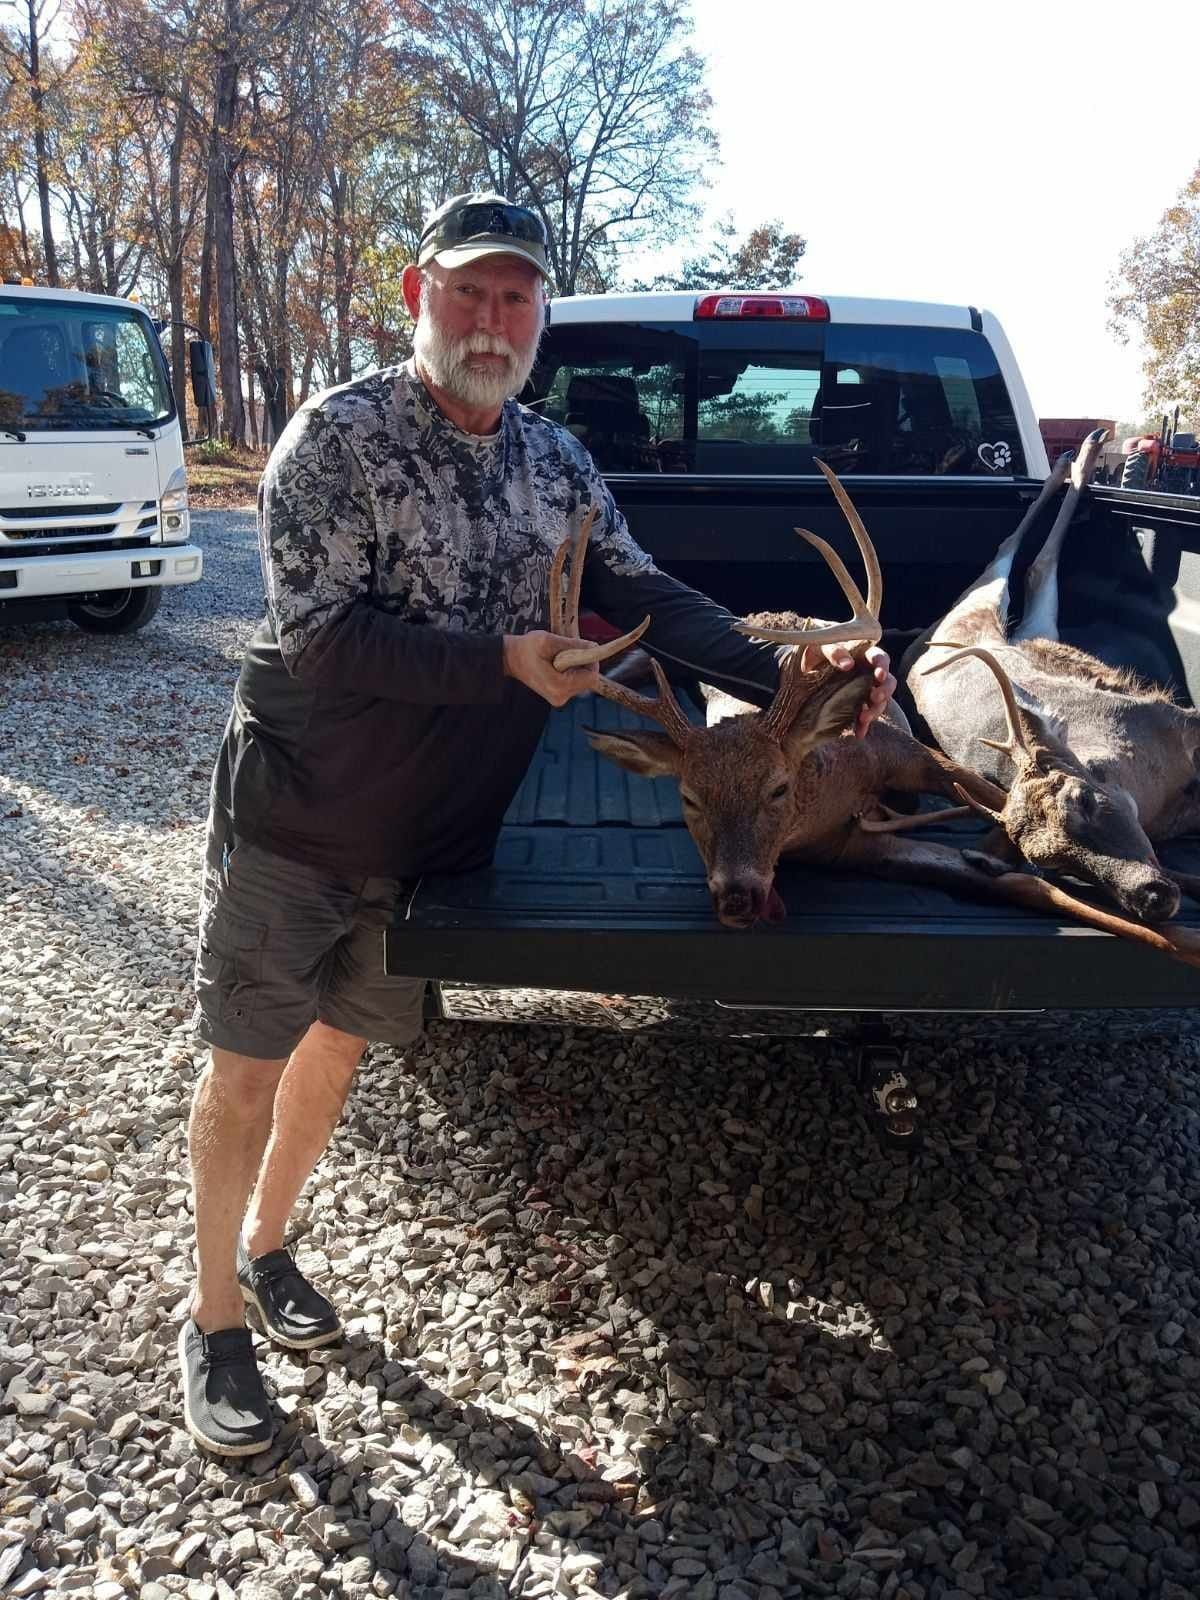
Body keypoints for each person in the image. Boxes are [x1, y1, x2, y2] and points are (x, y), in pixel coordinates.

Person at [180, 192, 896, 1456]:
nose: (492, 319)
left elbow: (638, 587)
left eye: (516, 298)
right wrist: (503, 662)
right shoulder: (334, 440)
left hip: (426, 840)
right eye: (469, 292)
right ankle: (216, 1319)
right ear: (419, 297)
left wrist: (783, 672)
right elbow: (325, 637)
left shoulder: (554, 462)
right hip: (306, 813)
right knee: (245, 1068)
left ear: (541, 318)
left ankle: (273, 1243)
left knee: (339, 1053)